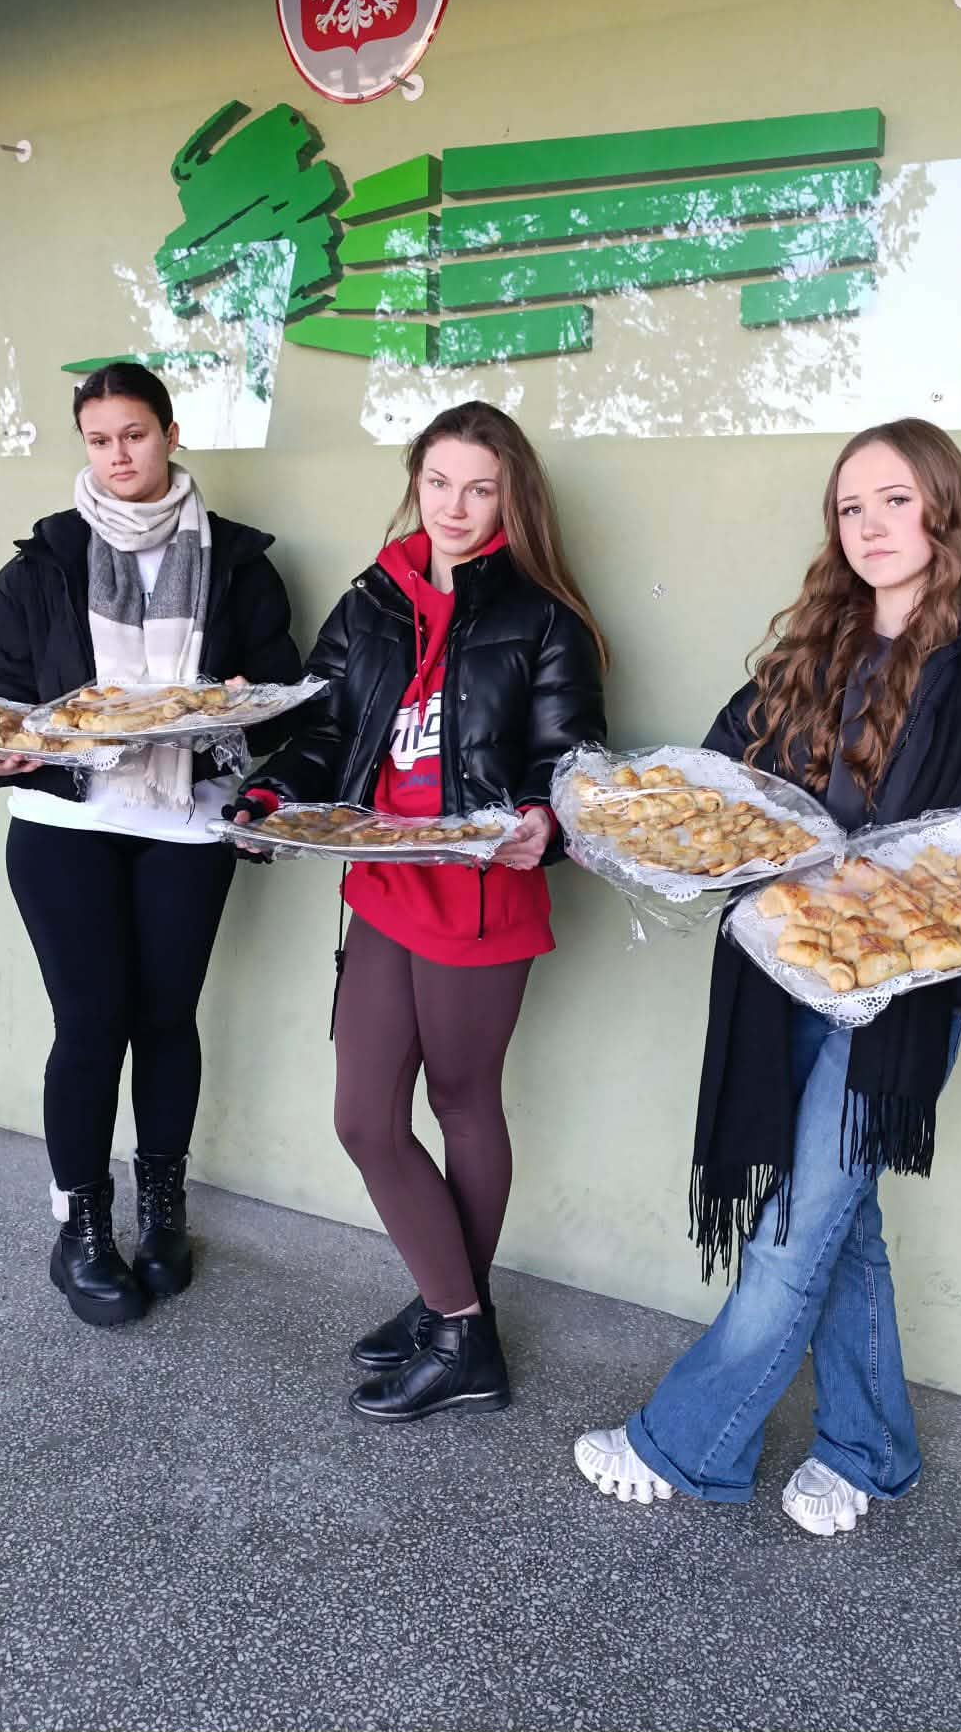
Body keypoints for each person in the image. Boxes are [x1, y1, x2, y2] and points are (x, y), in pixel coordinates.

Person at [574, 419, 961, 1531]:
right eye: (851, 507)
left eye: (895, 500)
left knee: (798, 1222)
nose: (871, 525)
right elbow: (726, 784)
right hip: (783, 975)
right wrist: (633, 824)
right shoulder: (813, 651)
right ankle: (870, 1451)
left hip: (900, 1003)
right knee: (836, 1221)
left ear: (946, 511)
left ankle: (687, 1443)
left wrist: (947, 963)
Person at [234, 401, 607, 1421]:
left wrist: (542, 819)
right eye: (439, 482)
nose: (455, 506)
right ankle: (459, 1313)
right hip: (382, 885)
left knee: (462, 1102)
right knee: (364, 1118)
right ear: (416, 482)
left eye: (480, 489)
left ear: (512, 499)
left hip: (481, 893)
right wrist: (269, 794)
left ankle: (457, 1326)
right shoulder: (373, 599)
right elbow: (323, 729)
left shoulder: (545, 618)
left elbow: (570, 759)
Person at [0, 362, 302, 1329]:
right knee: (89, 1023)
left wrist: (244, 709)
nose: (118, 455)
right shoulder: (42, 564)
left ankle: (161, 1212)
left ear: (171, 434)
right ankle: (79, 1228)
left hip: (187, 822)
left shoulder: (239, 563)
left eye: (135, 435)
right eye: (100, 439)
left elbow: (284, 697)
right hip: (65, 825)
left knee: (165, 1019)